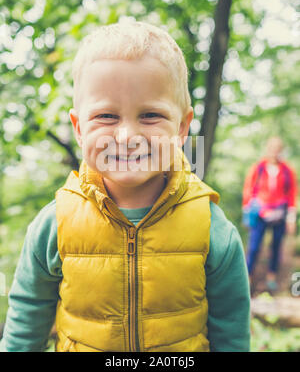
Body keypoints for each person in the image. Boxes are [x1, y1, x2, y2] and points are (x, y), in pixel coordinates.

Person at [0, 21, 250, 352]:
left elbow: (231, 334)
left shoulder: (211, 227)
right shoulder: (54, 225)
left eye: (149, 115)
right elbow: (24, 327)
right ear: (78, 128)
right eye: (106, 116)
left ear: (182, 127)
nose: (127, 136)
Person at [243, 136, 298, 292]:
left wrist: (291, 218)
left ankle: (271, 278)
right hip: (260, 212)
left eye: (277, 148)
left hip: (280, 213)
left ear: (281, 150)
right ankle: (247, 277)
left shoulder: (287, 170)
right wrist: (247, 213)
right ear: (267, 148)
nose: (274, 151)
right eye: (272, 148)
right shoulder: (258, 167)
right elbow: (248, 189)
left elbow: (292, 194)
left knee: (276, 246)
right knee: (253, 247)